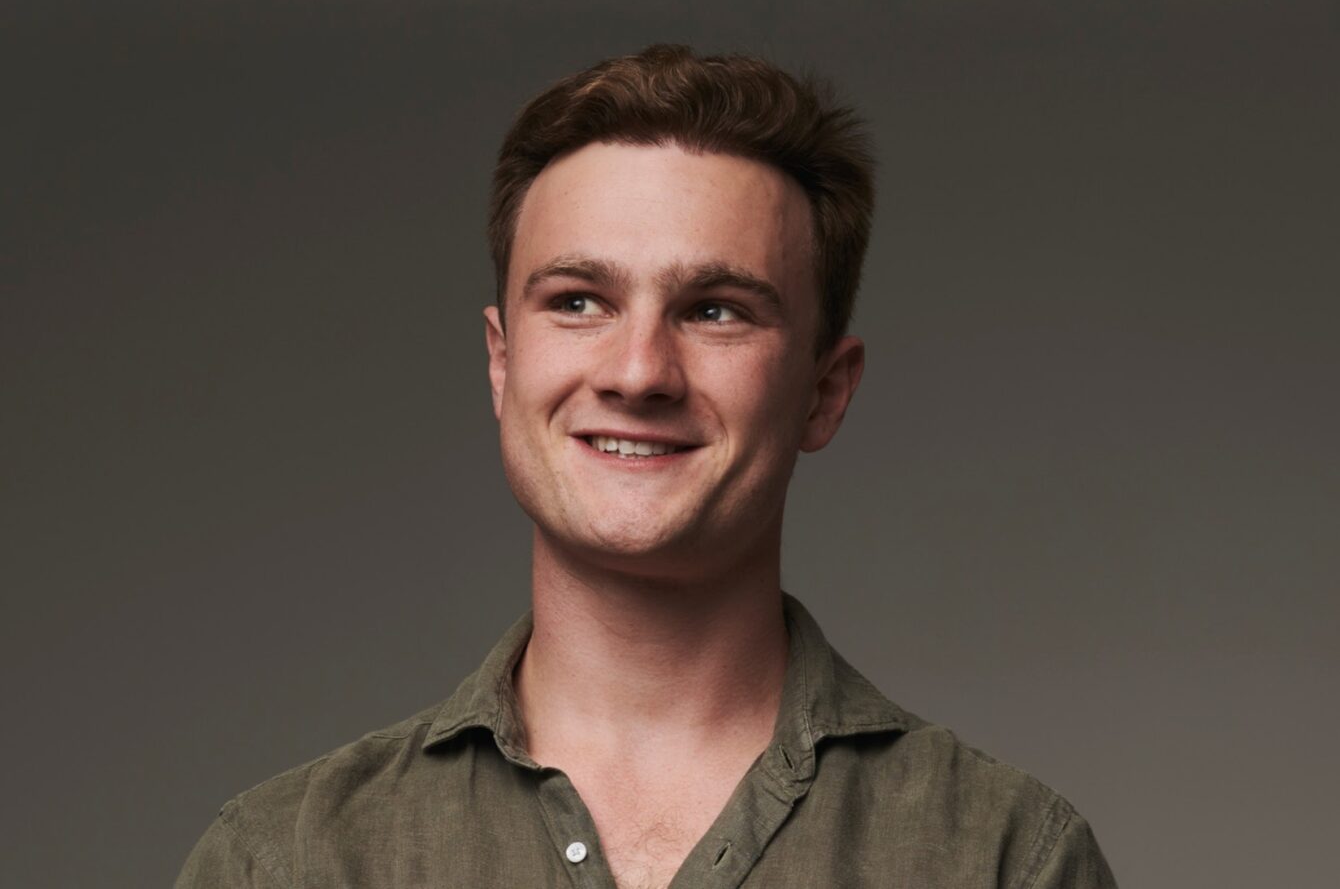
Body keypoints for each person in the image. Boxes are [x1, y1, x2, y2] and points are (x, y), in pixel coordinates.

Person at [176, 44, 1117, 888]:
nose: (637, 373)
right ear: (502, 362)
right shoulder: (286, 863)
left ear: (824, 391)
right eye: (579, 300)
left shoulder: (1003, 859)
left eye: (715, 310)